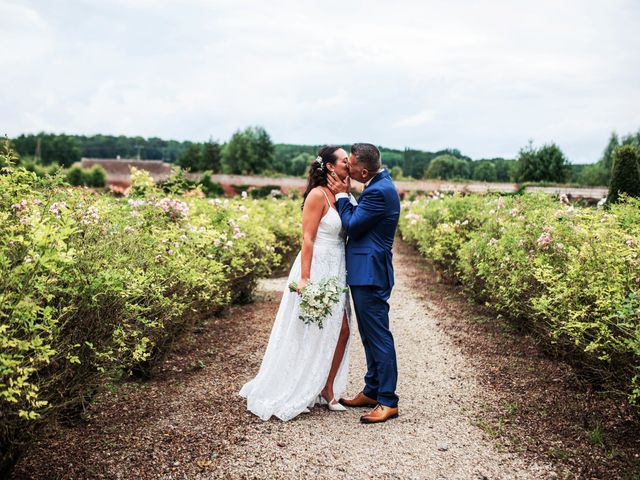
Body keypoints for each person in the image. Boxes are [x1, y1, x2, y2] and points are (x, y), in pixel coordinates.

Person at [239, 146, 355, 421]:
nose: (348, 164)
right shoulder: (317, 195)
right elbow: (308, 239)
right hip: (314, 267)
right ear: (329, 166)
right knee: (308, 329)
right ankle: (297, 386)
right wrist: (305, 278)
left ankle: (327, 389)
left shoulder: (343, 193)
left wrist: (344, 193)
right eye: (344, 160)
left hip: (337, 268)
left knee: (342, 331)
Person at [327, 143, 401, 424]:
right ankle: (372, 390)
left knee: (379, 336)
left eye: (352, 165)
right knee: (370, 336)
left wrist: (343, 195)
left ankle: (388, 400)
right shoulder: (378, 185)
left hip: (370, 274)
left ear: (365, 170)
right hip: (365, 271)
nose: (348, 168)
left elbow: (353, 225)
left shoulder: (379, 191)